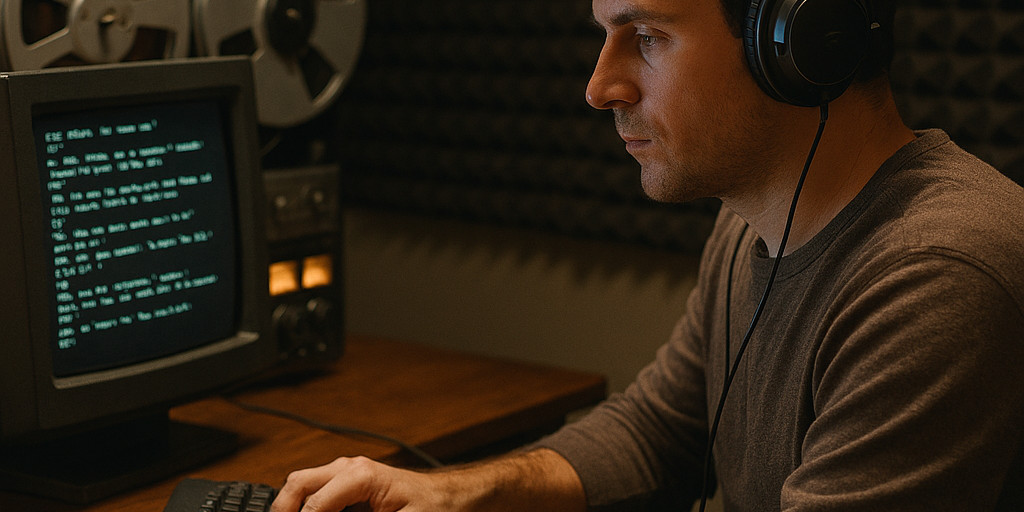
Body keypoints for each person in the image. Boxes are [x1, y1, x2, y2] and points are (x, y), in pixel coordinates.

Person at [271, 0, 1024, 510]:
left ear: (797, 45)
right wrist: (448, 493)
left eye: (649, 37)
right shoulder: (750, 220)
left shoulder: (935, 277)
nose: (600, 86)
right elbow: (653, 432)